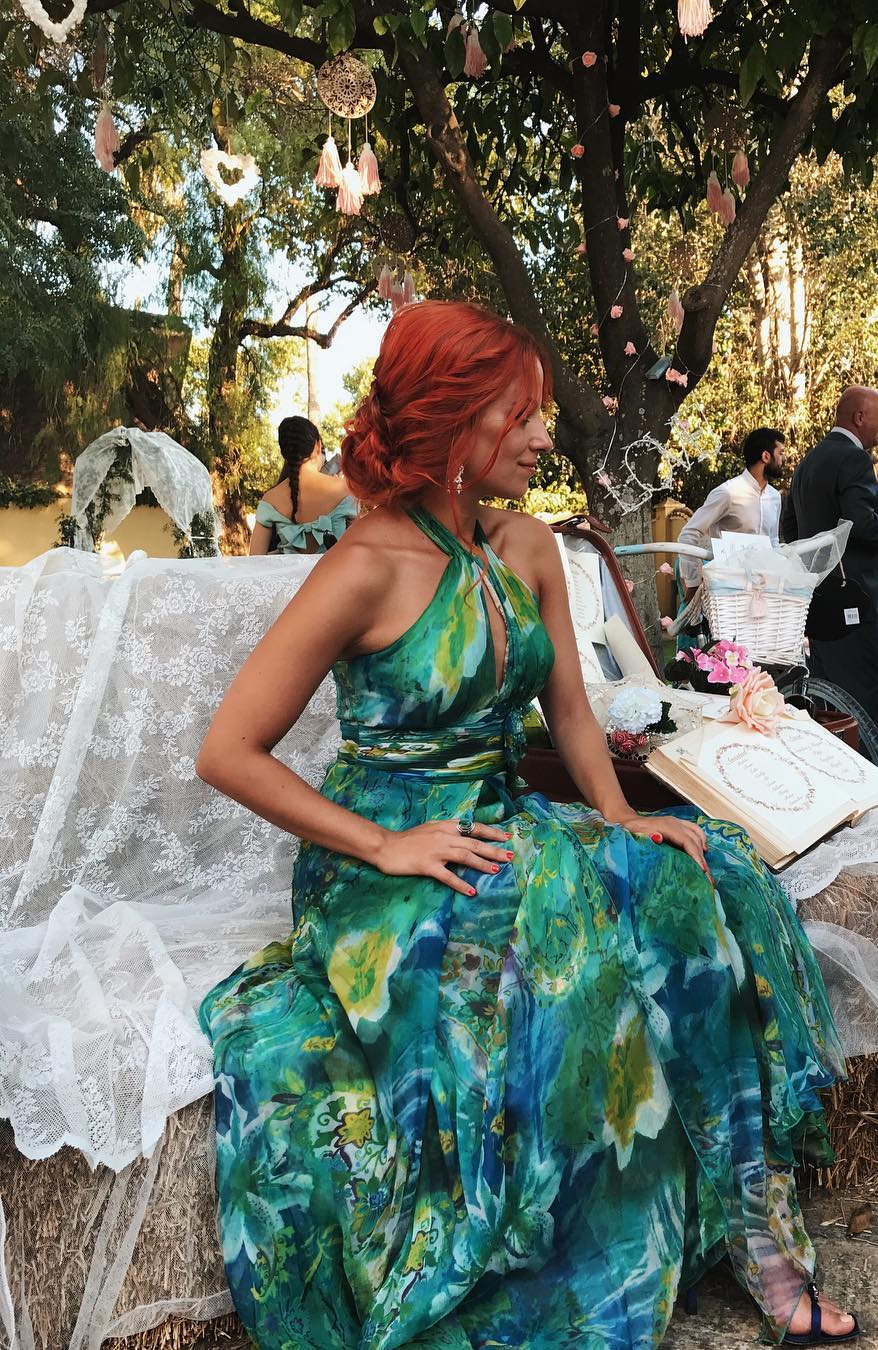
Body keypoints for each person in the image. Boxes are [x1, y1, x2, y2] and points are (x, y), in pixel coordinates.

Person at [196, 302, 857, 1349]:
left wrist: (618, 817)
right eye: (523, 414)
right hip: (390, 863)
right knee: (566, 969)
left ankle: (759, 1235)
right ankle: (584, 1274)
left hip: (504, 822)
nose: (545, 436)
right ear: (452, 421)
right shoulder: (365, 564)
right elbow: (228, 750)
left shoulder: (528, 545)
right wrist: (385, 844)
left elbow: (572, 714)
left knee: (701, 875)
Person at [782, 387, 878, 723]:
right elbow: (862, 524)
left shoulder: (807, 462)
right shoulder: (855, 458)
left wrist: (815, 573)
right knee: (863, 703)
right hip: (856, 602)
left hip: (819, 603)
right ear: (860, 417)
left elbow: (790, 530)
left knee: (830, 701)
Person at [676, 426, 785, 601]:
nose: (784, 459)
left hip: (766, 593)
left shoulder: (774, 497)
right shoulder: (728, 493)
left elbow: (773, 541)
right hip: (729, 595)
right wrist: (693, 583)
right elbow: (688, 534)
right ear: (766, 456)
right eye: (781, 453)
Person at [249, 415, 357, 555]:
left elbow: (255, 559)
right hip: (338, 570)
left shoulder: (270, 500)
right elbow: (358, 549)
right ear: (317, 446)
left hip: (286, 571)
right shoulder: (345, 489)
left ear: (284, 453)